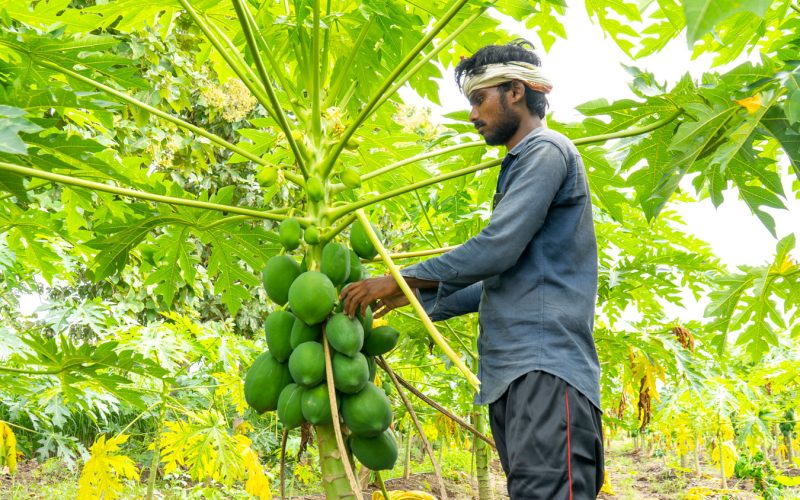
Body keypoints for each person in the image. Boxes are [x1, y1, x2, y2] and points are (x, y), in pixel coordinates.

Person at [340, 40, 604, 499]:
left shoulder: (546, 150)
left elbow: (496, 248)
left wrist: (400, 277)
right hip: (515, 378)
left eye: (479, 99)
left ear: (515, 91)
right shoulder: (520, 164)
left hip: (544, 370)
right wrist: (409, 296)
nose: (472, 114)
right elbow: (501, 281)